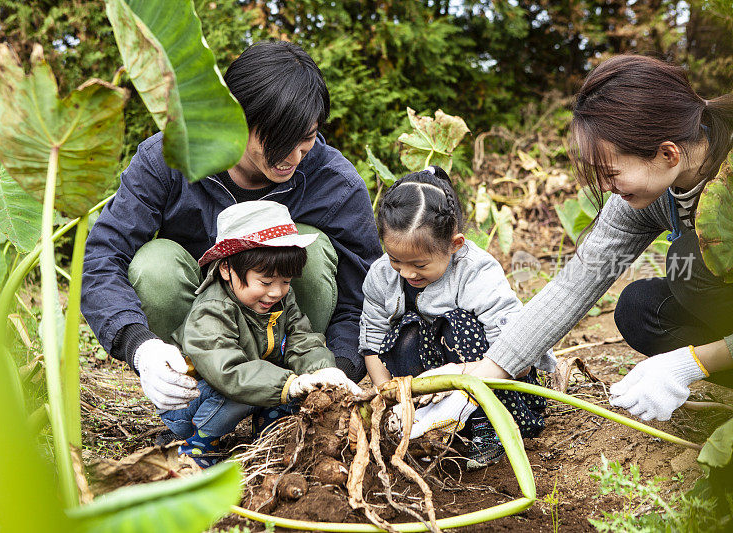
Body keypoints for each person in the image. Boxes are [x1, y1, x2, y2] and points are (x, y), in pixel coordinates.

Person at [81, 41, 382, 415]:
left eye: (305, 138)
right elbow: (102, 257)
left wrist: (335, 375)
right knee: (154, 265)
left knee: (313, 248)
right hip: (199, 352)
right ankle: (195, 402)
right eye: (279, 141)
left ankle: (283, 409)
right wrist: (141, 347)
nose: (293, 157)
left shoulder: (334, 182)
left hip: (298, 366)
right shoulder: (170, 157)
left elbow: (363, 297)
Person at [463, 54, 733, 422]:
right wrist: (492, 369)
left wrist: (692, 362)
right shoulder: (650, 193)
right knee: (639, 309)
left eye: (610, 173)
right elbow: (577, 282)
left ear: (667, 153)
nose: (605, 188)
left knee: (690, 263)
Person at [359, 166, 550, 468]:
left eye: (419, 264)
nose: (407, 273)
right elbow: (371, 341)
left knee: (457, 324)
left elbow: (519, 356)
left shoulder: (476, 271)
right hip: (424, 392)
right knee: (402, 333)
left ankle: (487, 430)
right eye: (396, 260)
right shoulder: (381, 275)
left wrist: (459, 373)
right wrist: (389, 395)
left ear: (454, 244)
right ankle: (428, 430)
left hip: (489, 383)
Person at [160, 201, 360, 467]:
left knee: (294, 390)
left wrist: (321, 370)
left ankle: (269, 428)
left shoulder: (279, 300)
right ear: (226, 269)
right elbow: (227, 372)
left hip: (250, 382)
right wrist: (288, 384)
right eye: (265, 282)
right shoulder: (212, 310)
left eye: (286, 282)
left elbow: (301, 339)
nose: (276, 291)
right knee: (256, 389)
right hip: (193, 401)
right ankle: (200, 443)